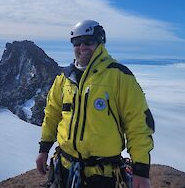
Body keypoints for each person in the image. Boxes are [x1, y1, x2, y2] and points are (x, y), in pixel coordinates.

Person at [36, 20, 155, 188]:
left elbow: (138, 123)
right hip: (64, 169)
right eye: (77, 42)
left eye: (88, 42)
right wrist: (44, 149)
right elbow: (52, 114)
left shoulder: (119, 76)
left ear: (100, 43)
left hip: (103, 175)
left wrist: (141, 171)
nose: (82, 47)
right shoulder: (64, 78)